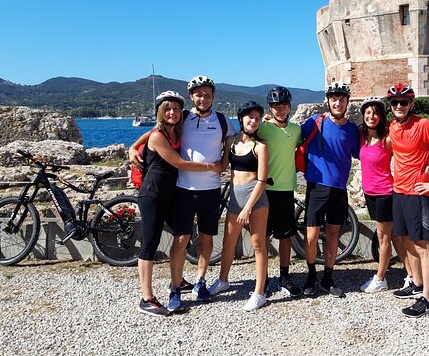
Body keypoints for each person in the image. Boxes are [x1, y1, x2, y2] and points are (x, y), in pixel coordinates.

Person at [130, 75, 234, 303]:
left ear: (213, 96)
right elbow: (153, 133)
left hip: (211, 189)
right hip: (183, 189)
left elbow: (229, 142)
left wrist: (225, 162)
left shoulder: (224, 121)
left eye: (207, 94)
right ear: (191, 97)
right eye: (198, 94)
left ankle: (200, 281)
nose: (203, 98)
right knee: (181, 239)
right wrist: (133, 147)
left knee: (206, 237)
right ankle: (175, 286)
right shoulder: (182, 117)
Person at [386, 83, 429, 318]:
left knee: (422, 246)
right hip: (399, 191)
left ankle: (428, 300)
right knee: (403, 239)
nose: (398, 106)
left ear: (411, 104)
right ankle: (416, 283)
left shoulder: (423, 124)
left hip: (418, 193)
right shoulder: (393, 126)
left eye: (403, 102)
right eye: (394, 102)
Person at [208, 101, 270, 311]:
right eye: (249, 117)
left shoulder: (260, 146)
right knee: (228, 242)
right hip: (235, 198)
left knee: (259, 246)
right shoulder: (232, 142)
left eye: (257, 118)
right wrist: (199, 167)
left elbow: (262, 180)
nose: (253, 121)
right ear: (241, 119)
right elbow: (223, 165)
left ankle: (259, 292)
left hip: (256, 200)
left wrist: (247, 208)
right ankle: (223, 280)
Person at [301, 81, 360, 297]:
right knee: (312, 235)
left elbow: (365, 154)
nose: (337, 102)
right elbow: (290, 137)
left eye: (341, 99)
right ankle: (310, 276)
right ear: (328, 101)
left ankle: (328, 277)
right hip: (316, 185)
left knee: (334, 233)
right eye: (334, 99)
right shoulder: (315, 122)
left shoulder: (352, 130)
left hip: (339, 189)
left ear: (346, 102)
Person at [357, 97, 413, 294]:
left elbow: (406, 154)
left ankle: (380, 278)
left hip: (385, 193)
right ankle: (412, 276)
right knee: (395, 236)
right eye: (368, 113)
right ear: (363, 116)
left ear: (381, 116)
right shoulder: (362, 137)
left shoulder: (387, 139)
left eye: (376, 113)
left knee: (383, 237)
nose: (372, 117)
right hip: (369, 192)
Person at [259, 86, 303, 297]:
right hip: (265, 189)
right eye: (276, 106)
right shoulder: (262, 128)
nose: (280, 109)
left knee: (285, 237)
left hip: (286, 189)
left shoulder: (296, 130)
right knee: (264, 238)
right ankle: (263, 278)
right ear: (270, 107)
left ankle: (284, 276)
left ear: (289, 107)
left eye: (284, 106)